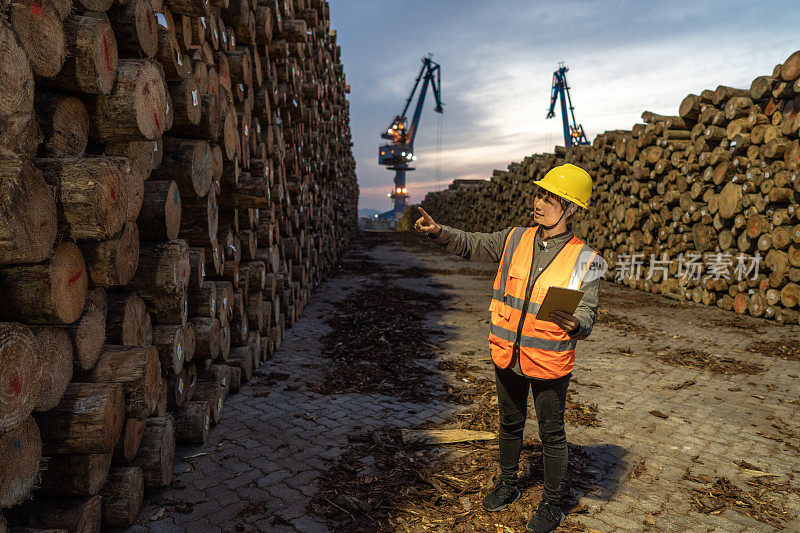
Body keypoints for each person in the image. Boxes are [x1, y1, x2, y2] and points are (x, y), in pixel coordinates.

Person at [414, 163, 606, 533]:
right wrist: (439, 232)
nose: (540, 203)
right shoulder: (515, 238)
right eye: (540, 195)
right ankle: (508, 485)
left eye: (551, 199)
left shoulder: (590, 261)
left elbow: (589, 314)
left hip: (548, 359)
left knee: (551, 433)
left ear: (570, 209)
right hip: (507, 353)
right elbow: (472, 244)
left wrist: (576, 323)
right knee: (510, 423)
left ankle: (551, 506)